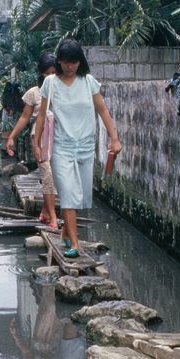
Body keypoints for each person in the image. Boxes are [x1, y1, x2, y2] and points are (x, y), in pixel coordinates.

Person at [33, 38, 121, 258]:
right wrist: (37, 142)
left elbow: (103, 110)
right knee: (69, 194)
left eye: (74, 62)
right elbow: (42, 114)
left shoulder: (88, 81)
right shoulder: (50, 83)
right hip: (61, 147)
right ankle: (74, 242)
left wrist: (114, 138)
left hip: (85, 146)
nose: (70, 66)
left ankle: (65, 232)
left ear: (80, 62)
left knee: (81, 196)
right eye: (66, 62)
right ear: (60, 61)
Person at [5, 54, 59, 225]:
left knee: (54, 176)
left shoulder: (64, 89)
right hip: (39, 136)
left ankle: (45, 211)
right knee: (48, 174)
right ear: (42, 74)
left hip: (59, 137)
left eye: (54, 72)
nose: (51, 76)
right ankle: (53, 217)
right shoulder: (34, 93)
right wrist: (12, 137)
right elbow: (24, 117)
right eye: (47, 73)